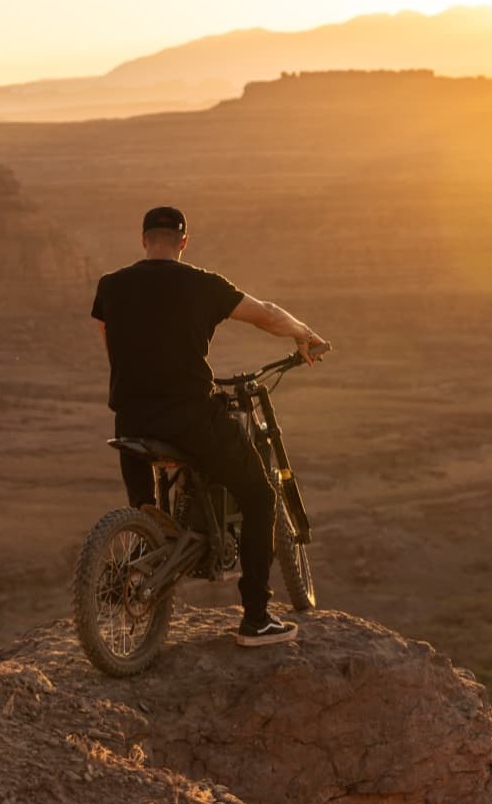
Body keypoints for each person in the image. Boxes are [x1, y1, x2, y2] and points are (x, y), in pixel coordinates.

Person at [91, 206, 327, 648]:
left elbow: (108, 334)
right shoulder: (203, 284)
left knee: (145, 506)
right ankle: (256, 619)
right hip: (190, 418)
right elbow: (266, 314)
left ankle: (143, 541)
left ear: (144, 240)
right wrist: (303, 333)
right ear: (183, 242)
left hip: (131, 417)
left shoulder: (111, 285)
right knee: (260, 496)